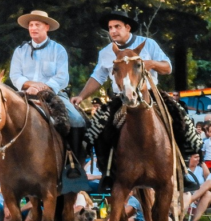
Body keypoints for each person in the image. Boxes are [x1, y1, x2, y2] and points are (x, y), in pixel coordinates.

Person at [72, 10, 198, 190]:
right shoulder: (106, 53)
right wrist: (81, 96)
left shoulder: (148, 45)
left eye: (117, 26)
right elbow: (98, 77)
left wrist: (152, 64)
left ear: (127, 27)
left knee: (179, 118)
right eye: (110, 28)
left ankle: (182, 169)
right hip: (120, 97)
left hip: (151, 94)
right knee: (98, 129)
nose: (113, 31)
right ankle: (107, 172)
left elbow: (168, 67)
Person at [7, 9, 87, 169]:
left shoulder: (58, 50)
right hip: (24, 92)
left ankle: (75, 164)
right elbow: (15, 75)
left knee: (77, 119)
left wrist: (43, 88)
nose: (33, 28)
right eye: (31, 25)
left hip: (53, 93)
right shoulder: (20, 50)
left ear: (46, 27)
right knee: (0, 117)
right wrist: (31, 85)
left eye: (37, 25)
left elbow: (62, 77)